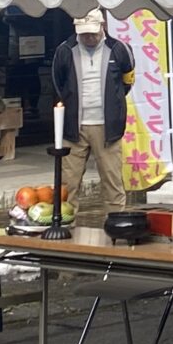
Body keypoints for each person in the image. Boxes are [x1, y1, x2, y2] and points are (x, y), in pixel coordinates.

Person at [51, 12, 135, 214]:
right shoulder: (65, 50)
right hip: (74, 126)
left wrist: (113, 104)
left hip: (107, 127)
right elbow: (57, 82)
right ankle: (66, 225)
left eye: (92, 33)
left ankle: (116, 223)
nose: (88, 38)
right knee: (68, 184)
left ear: (102, 26)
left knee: (112, 181)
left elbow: (127, 81)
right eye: (83, 34)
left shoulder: (119, 49)